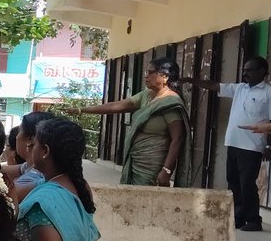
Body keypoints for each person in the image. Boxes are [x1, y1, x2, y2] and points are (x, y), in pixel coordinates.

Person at [181, 56, 271, 230]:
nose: (245, 73)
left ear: (262, 72)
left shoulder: (270, 93)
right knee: (233, 182)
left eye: (249, 70)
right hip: (233, 143)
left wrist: (269, 145)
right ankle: (238, 217)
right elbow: (214, 86)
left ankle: (253, 220)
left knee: (247, 184)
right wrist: (191, 80)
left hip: (252, 147)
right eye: (244, 69)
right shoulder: (240, 89)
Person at [81, 58, 191, 188]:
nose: (146, 76)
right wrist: (82, 110)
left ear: (164, 77)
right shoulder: (148, 95)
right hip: (135, 160)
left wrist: (166, 170)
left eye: (151, 72)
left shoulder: (170, 103)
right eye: (146, 72)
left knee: (147, 200)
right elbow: (118, 106)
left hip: (152, 164)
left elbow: (178, 138)